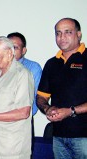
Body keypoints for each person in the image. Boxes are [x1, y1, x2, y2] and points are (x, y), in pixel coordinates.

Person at [37, 18, 87, 159]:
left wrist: (70, 111)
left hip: (84, 138)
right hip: (58, 137)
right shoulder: (51, 63)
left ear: (78, 34)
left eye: (67, 32)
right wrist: (47, 108)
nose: (62, 37)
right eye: (58, 33)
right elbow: (41, 97)